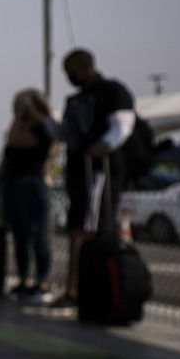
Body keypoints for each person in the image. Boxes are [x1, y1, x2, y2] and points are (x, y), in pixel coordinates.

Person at [48, 49, 135, 310]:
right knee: (79, 226)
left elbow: (123, 125)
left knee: (88, 228)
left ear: (84, 67)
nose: (69, 77)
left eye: (71, 71)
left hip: (98, 171)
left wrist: (103, 146)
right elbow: (64, 133)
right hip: (79, 171)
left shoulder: (111, 91)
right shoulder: (76, 99)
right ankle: (78, 288)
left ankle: (83, 289)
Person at [0, 90, 59, 305]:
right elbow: (12, 142)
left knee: (38, 233)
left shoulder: (44, 128)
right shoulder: (17, 126)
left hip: (34, 183)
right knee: (19, 234)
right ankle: (24, 278)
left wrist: (33, 110)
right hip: (14, 182)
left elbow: (48, 135)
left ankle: (42, 280)